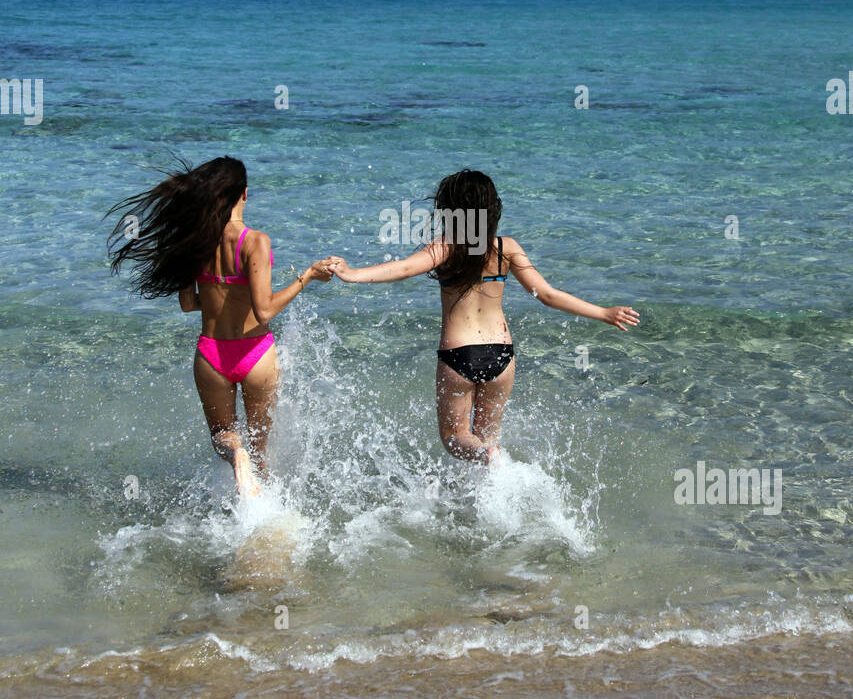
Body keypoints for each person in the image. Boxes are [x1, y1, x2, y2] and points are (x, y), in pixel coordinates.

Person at [327, 169, 639, 465]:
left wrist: (351, 274)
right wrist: (603, 312)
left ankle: (488, 458)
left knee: (455, 438)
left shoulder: (445, 248)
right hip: (501, 354)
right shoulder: (506, 248)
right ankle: (491, 472)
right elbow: (546, 295)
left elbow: (402, 268)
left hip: (458, 354)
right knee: (487, 437)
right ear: (491, 211)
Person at [108, 156, 333, 492]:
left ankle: (235, 459)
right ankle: (264, 520)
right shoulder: (255, 241)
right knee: (260, 450)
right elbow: (265, 310)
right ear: (244, 194)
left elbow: (188, 304)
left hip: (211, 356)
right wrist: (309, 276)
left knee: (224, 441)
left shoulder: (194, 240)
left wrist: (217, 298)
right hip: (256, 354)